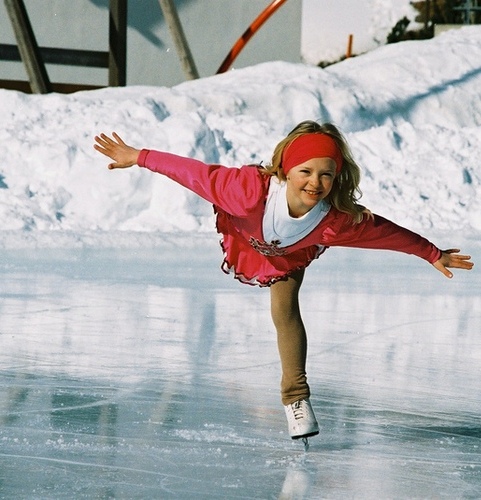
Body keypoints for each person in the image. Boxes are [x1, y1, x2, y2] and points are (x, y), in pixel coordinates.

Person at [94, 121, 474, 441]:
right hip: (247, 233)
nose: (315, 183)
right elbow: (194, 173)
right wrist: (139, 156)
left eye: (326, 174)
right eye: (306, 171)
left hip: (288, 255)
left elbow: (383, 233)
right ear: (286, 170)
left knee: (285, 310)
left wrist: (430, 252)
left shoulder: (333, 221)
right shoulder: (245, 192)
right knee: (279, 298)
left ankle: (296, 399)